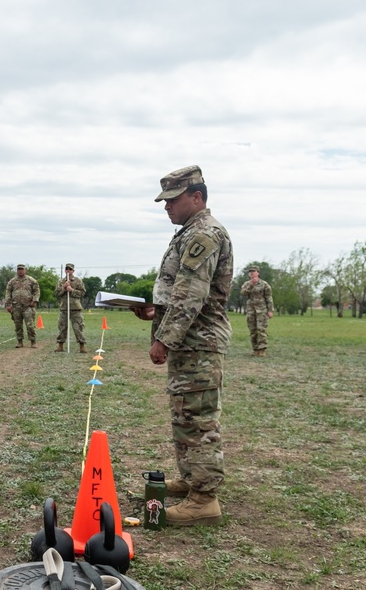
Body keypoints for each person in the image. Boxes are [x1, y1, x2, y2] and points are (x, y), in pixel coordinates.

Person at [132, 165, 233, 526]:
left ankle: (204, 499)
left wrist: (163, 339)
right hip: (190, 342)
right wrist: (155, 312)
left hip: (198, 344)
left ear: (197, 197)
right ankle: (193, 481)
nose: (166, 207)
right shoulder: (190, 232)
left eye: (173, 200)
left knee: (199, 420)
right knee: (184, 416)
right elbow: (180, 292)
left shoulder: (204, 234)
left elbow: (192, 294)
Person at [4, 264, 40, 348]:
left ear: (25, 270)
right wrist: (8, 304)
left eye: (22, 269)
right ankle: (19, 342)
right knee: (18, 325)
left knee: (30, 325)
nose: (20, 271)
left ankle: (33, 341)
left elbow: (37, 291)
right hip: (16, 306)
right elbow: (8, 293)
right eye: (19, 269)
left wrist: (34, 300)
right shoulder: (12, 281)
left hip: (28, 306)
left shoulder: (31, 280)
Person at [240, 266, 274, 356]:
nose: (252, 273)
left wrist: (270, 310)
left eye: (253, 271)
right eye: (250, 271)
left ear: (258, 273)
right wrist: (251, 285)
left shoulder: (264, 284)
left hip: (262, 310)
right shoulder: (247, 284)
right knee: (252, 330)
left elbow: (269, 298)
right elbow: (243, 293)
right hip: (251, 310)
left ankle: (262, 350)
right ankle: (255, 349)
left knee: (261, 329)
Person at [55, 263, 88, 353]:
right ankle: (60, 345)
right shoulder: (61, 281)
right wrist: (64, 287)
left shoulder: (78, 281)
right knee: (62, 327)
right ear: (65, 270)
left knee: (78, 328)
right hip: (64, 308)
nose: (68, 271)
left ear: (73, 271)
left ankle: (82, 346)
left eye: (70, 269)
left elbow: (82, 293)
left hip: (75, 308)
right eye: (67, 269)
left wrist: (72, 290)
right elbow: (57, 293)